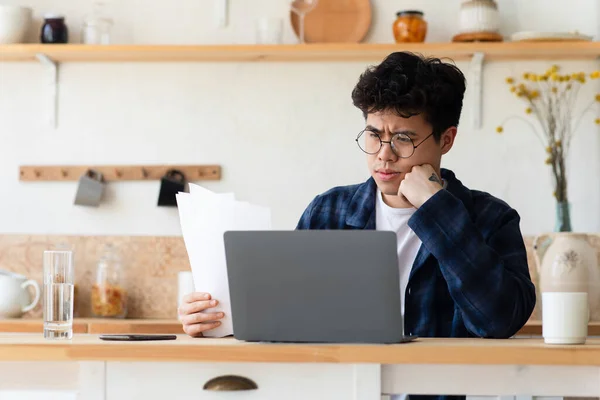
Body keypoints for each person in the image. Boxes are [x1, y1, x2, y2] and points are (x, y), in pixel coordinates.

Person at [178, 52, 536, 346]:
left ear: (446, 140)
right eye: (373, 135)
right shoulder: (328, 212)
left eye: (403, 138)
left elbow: (498, 322)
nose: (384, 154)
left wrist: (437, 211)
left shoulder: (491, 218)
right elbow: (283, 323)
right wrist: (214, 318)